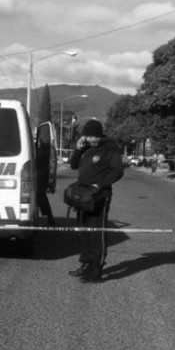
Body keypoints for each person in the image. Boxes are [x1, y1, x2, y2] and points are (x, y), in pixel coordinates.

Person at [67, 119, 124, 282]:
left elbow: (118, 171)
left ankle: (96, 270)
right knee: (83, 231)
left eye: (92, 136)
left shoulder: (110, 148)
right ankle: (85, 263)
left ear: (99, 135)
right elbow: (73, 165)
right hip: (83, 196)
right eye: (87, 136)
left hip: (100, 196)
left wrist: (100, 184)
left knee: (96, 233)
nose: (89, 139)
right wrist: (78, 150)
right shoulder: (86, 147)